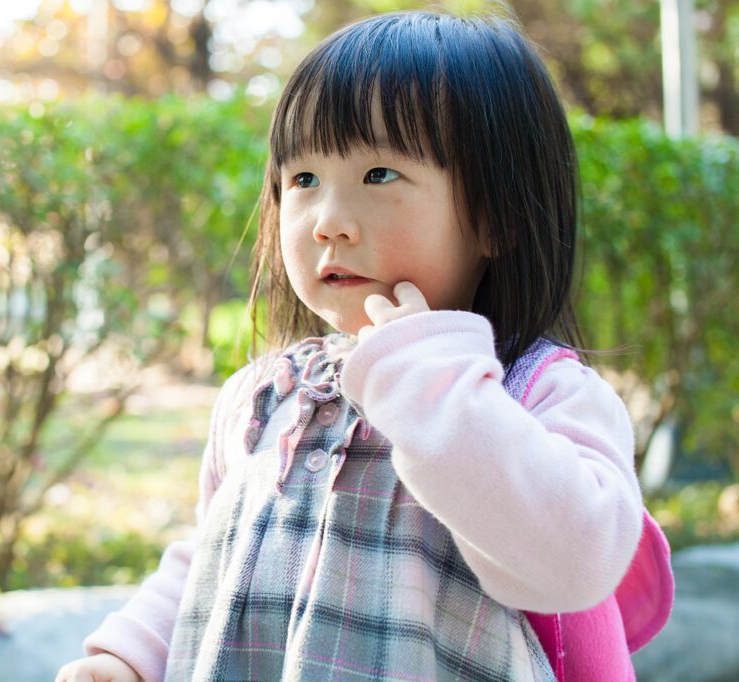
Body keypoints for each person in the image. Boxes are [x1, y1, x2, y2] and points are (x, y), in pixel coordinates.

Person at [56, 10, 673, 682]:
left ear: (496, 215)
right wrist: (128, 656)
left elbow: (577, 563)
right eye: (303, 180)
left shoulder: (541, 394)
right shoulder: (263, 397)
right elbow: (214, 555)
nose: (328, 222)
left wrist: (429, 380)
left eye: (379, 174)